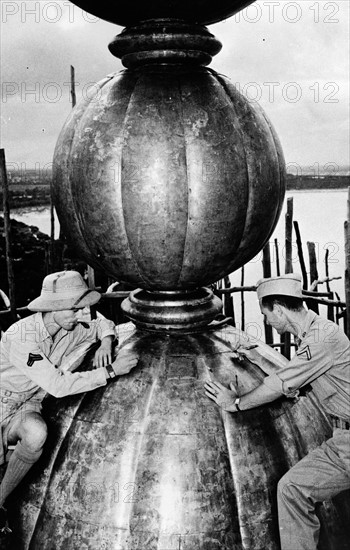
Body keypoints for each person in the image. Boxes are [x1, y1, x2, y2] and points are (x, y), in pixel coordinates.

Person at [205, 273, 350, 550]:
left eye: (267, 314)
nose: (267, 321)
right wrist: (257, 356)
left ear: (279, 310)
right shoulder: (314, 334)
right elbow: (294, 378)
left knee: (293, 490)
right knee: (292, 489)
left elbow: (280, 385)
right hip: (341, 439)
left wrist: (235, 403)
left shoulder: (322, 338)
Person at [0, 270, 138, 534]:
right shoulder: (22, 337)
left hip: (28, 403)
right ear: (53, 308)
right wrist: (110, 372)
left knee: (36, 433)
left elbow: (100, 324)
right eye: (76, 309)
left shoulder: (70, 325)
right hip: (1, 402)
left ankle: (1, 500)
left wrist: (106, 343)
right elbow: (57, 385)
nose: (82, 315)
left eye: (83, 308)